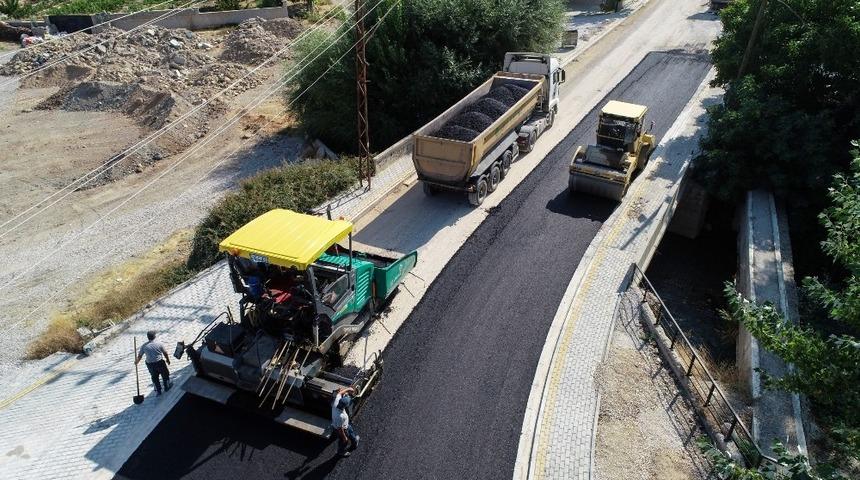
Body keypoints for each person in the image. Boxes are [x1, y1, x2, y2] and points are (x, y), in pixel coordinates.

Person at [135, 330, 172, 396]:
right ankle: (167, 387)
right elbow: (165, 353)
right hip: (159, 362)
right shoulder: (159, 344)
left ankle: (158, 391)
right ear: (154, 336)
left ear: (148, 337)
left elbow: (140, 356)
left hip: (150, 364)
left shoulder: (144, 346)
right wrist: (168, 360)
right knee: (165, 374)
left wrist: (137, 361)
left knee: (154, 377)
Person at [331, 386, 360, 457]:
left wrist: (348, 389)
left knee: (351, 433)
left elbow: (339, 393)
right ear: (345, 406)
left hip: (346, 425)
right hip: (342, 429)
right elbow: (340, 429)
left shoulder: (337, 402)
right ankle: (340, 452)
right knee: (343, 441)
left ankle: (355, 442)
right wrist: (344, 437)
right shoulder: (339, 416)